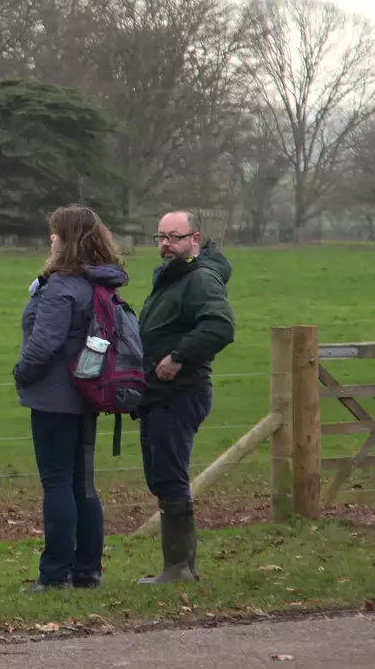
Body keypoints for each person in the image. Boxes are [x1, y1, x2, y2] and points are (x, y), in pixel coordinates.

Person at [12, 205, 128, 591]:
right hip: (87, 393)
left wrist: (21, 373)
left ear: (69, 240)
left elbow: (43, 344)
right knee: (84, 484)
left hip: (53, 399)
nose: (51, 239)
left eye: (56, 233)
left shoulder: (61, 286)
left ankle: (55, 573)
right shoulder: (98, 283)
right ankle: (87, 569)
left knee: (58, 482)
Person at [135, 210, 235, 584]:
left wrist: (178, 357)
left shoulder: (200, 279)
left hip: (180, 392)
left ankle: (178, 568)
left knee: (170, 476)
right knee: (161, 475)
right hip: (158, 394)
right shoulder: (172, 277)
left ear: (195, 239)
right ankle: (179, 567)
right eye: (160, 237)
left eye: (174, 238)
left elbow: (220, 326)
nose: (165, 245)